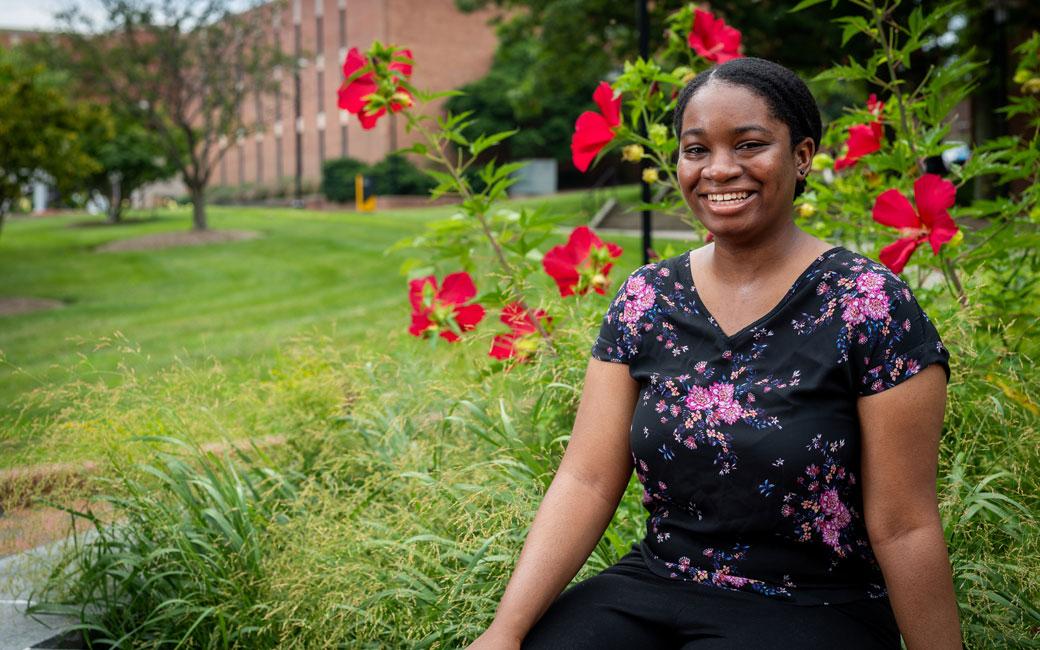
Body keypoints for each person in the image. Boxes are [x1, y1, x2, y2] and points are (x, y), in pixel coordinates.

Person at [467, 57, 962, 650]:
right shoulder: (646, 298)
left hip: (811, 604)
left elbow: (904, 525)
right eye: (696, 149)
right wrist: (504, 632)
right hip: (656, 582)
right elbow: (587, 479)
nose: (720, 169)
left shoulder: (868, 305)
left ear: (802, 155)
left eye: (750, 144)